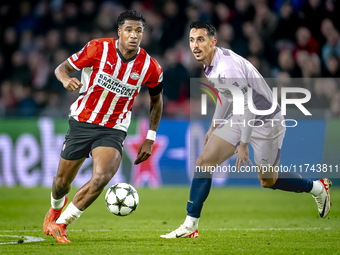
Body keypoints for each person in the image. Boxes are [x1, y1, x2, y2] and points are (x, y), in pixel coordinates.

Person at [160, 21, 332, 239]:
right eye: (192, 40)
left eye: (201, 39)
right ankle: (190, 225)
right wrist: (215, 124)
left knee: (267, 180)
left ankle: (317, 187)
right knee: (204, 162)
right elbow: (225, 94)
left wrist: (243, 145)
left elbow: (249, 104)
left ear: (213, 42)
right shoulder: (210, 62)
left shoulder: (226, 68)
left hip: (267, 121)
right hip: (242, 115)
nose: (195, 45)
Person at [43, 10, 164, 243]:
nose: (134, 35)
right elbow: (62, 68)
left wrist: (150, 137)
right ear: (119, 32)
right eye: (128, 30)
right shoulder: (97, 48)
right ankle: (55, 209)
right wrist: (66, 79)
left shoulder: (150, 66)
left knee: (101, 177)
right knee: (61, 183)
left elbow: (157, 100)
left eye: (138, 31)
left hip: (114, 128)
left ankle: (61, 224)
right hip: (82, 121)